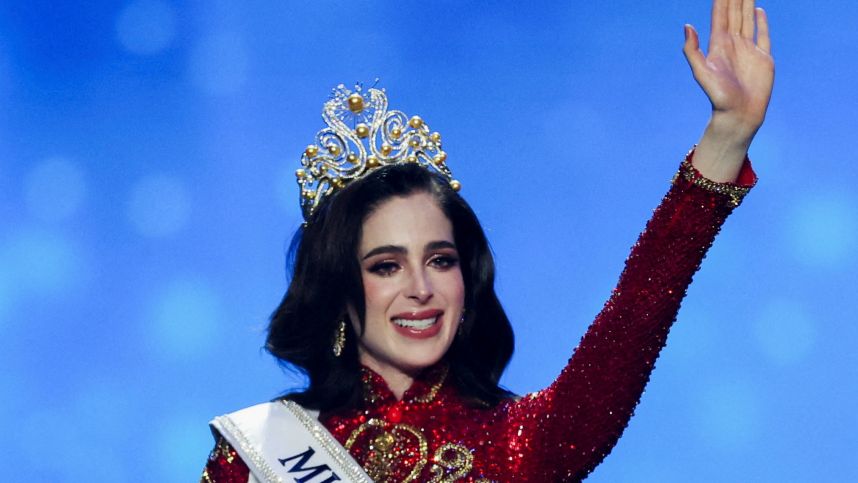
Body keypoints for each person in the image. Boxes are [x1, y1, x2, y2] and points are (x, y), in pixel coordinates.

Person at [201, 0, 774, 481]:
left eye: (440, 260)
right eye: (385, 266)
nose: (420, 289)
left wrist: (726, 137)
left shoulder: (518, 444)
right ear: (336, 290)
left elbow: (635, 315)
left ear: (466, 280)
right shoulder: (255, 457)